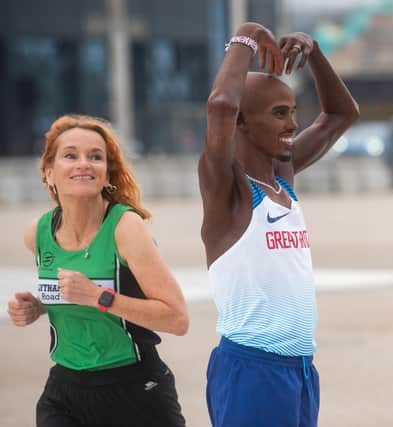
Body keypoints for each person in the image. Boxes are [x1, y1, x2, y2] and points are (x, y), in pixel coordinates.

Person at [199, 22, 359, 427]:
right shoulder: (228, 191)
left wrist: (315, 54)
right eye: (279, 113)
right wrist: (249, 33)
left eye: (292, 112)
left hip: (301, 368)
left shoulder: (283, 177)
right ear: (242, 122)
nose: (292, 124)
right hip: (252, 369)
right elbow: (220, 104)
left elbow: (341, 114)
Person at [7, 114, 189, 427]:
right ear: (49, 173)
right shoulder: (36, 233)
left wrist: (99, 297)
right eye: (70, 155)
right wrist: (37, 307)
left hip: (135, 389)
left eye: (95, 156)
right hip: (65, 391)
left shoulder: (125, 227)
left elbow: (177, 318)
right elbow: (71, 295)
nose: (84, 164)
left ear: (106, 175)